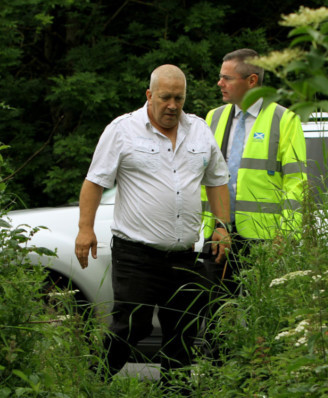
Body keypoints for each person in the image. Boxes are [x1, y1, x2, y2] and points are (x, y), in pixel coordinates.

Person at [74, 64, 231, 380]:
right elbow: (94, 182)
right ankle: (93, 380)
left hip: (184, 255)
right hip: (136, 255)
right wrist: (85, 228)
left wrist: (222, 226)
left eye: (179, 98)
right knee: (133, 325)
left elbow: (217, 181)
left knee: (182, 331)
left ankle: (176, 390)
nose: (172, 105)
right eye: (165, 98)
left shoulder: (199, 130)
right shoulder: (122, 130)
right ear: (149, 95)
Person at [200, 49, 308, 357]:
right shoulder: (214, 118)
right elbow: (204, 177)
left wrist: (287, 235)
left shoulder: (283, 120)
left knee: (264, 319)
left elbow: (296, 183)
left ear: (252, 80)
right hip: (220, 233)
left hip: (264, 239)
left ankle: (262, 379)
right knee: (217, 315)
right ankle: (218, 380)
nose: (219, 83)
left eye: (226, 78)